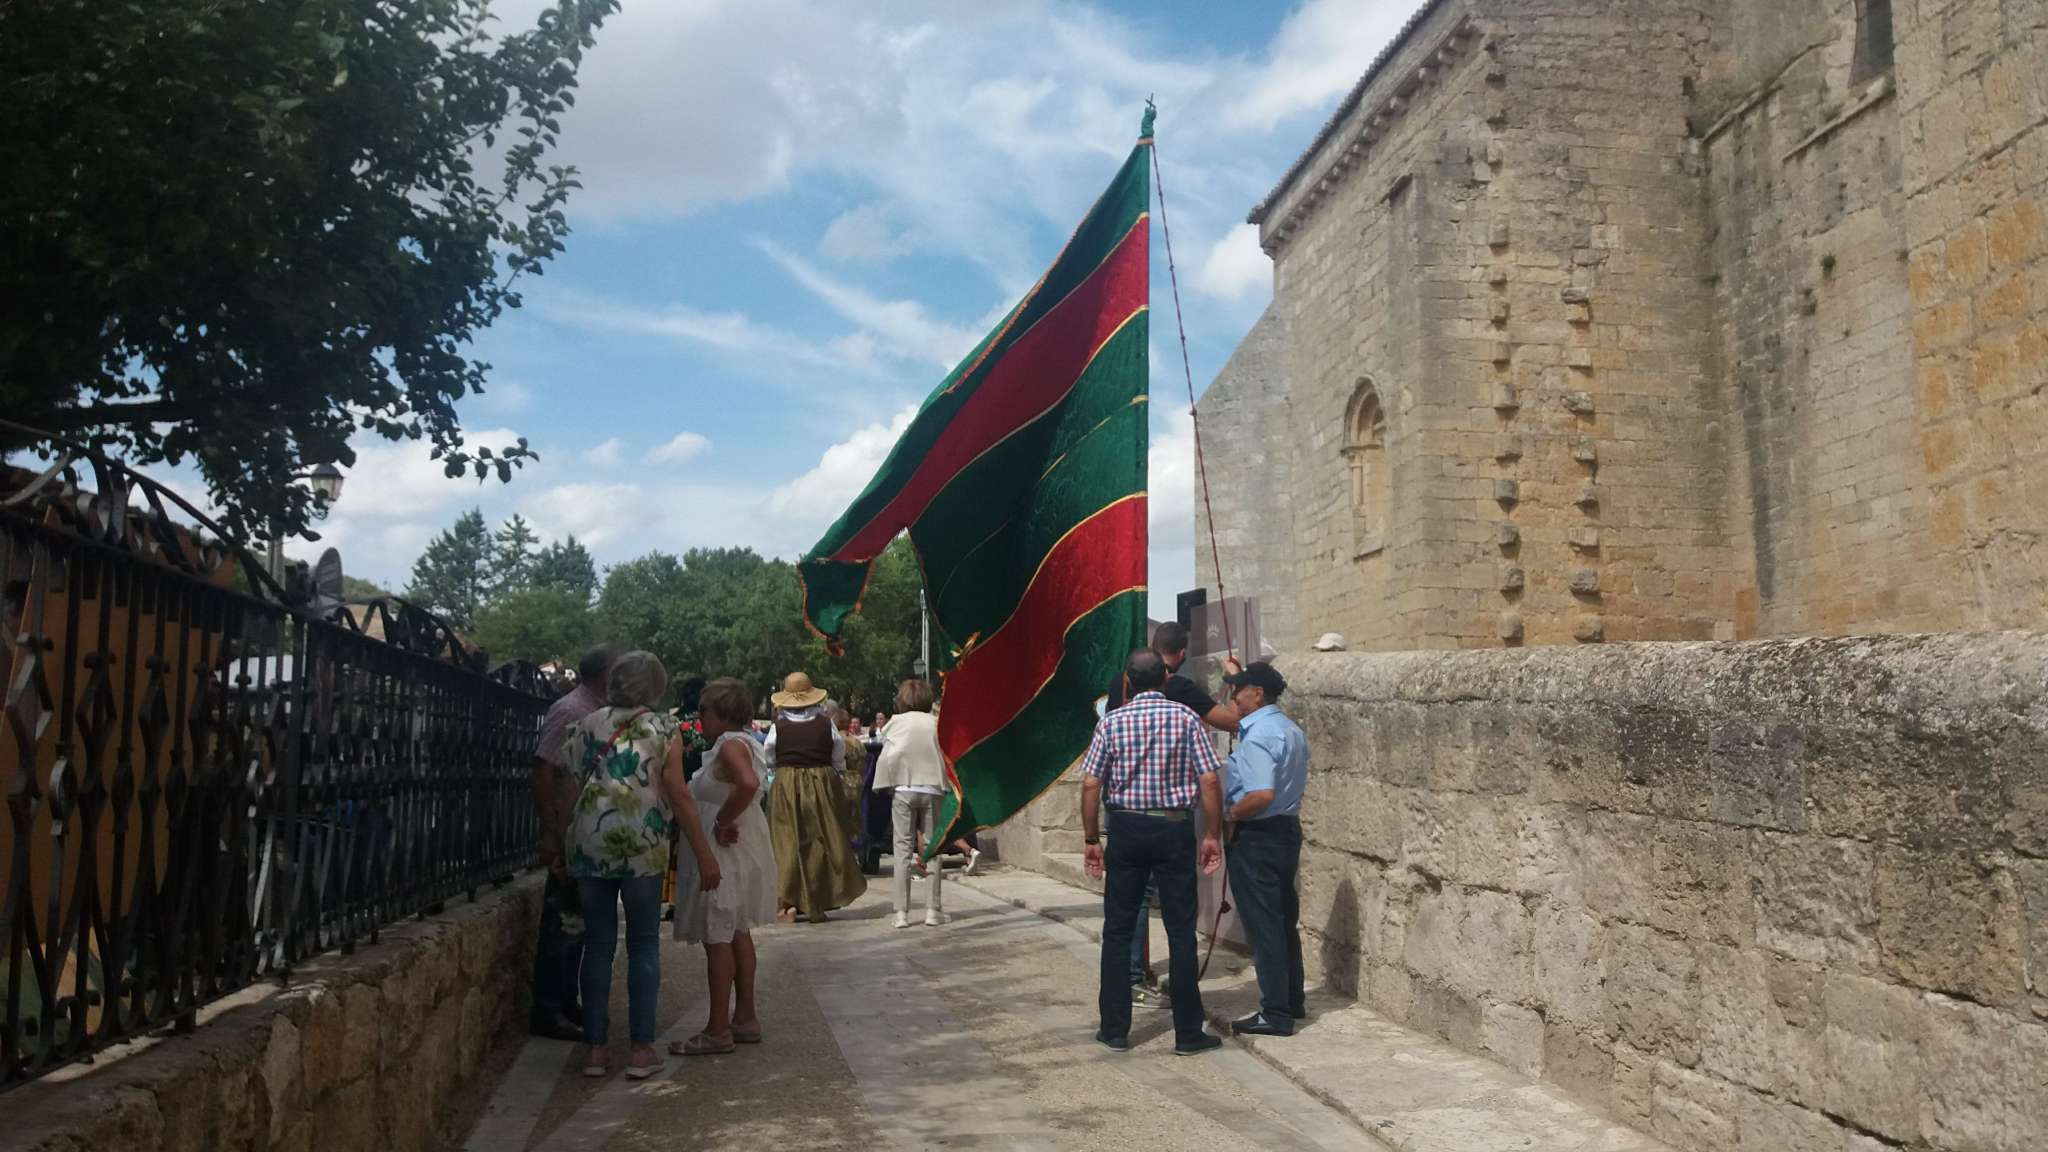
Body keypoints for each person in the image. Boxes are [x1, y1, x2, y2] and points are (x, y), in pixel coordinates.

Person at [562, 651, 722, 1079]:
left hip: (590, 842)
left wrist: (561, 841)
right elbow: (678, 793)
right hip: (642, 843)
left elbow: (569, 787)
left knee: (597, 945)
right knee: (644, 944)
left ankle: (595, 1050)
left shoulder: (586, 725)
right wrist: (704, 853)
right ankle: (641, 1049)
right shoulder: (663, 728)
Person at [1081, 648, 1226, 1057]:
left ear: (1128, 681)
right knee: (1180, 929)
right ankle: (1188, 1032)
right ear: (1165, 677)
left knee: (1118, 928)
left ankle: (1114, 1028)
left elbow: (1091, 784)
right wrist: (1212, 834)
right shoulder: (1186, 719)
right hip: (1173, 827)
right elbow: (1209, 780)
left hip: (1126, 828)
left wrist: (1091, 839)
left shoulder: (1111, 722)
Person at [1109, 621, 1239, 1012]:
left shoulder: (1121, 685)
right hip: (1169, 818)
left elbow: (1092, 780)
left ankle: (1126, 989)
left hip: (1124, 813)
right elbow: (1230, 721)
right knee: (1177, 915)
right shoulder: (1179, 690)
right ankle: (1180, 1008)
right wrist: (1234, 680)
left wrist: (1090, 837)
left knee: (1128, 905)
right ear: (1180, 655)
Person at [670, 677, 777, 1056]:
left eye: (704, 710)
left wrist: (721, 821)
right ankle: (744, 1017)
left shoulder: (730, 745)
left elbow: (746, 784)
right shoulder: (744, 742)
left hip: (724, 852)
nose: (699, 716)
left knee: (718, 935)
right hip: (740, 847)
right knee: (736, 932)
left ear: (722, 712)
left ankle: (717, 1028)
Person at [530, 642, 623, 1042]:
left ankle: (566, 1002)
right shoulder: (571, 710)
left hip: (585, 832)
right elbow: (544, 769)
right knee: (562, 924)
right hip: (569, 832)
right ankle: (549, 1009)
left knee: (577, 925)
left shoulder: (594, 710)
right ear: (605, 673)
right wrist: (552, 830)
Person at [1218, 662, 1311, 1037]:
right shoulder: (1290, 729)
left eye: (1237, 690)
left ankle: (1275, 1012)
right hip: (1286, 829)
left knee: (1264, 925)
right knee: (1283, 919)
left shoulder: (1257, 736)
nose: (1233, 698)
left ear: (1256, 694)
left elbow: (1260, 794)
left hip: (1257, 834)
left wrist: (1230, 815)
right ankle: (1291, 999)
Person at [763, 672, 867, 922]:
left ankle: (787, 903)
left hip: (786, 782)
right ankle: (815, 902)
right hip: (822, 782)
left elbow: (769, 756)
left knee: (786, 841)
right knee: (820, 841)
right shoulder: (825, 723)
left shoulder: (778, 726)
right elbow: (838, 756)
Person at [872, 678, 949, 928]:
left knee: (902, 850)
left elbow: (888, 752)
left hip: (904, 787)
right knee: (933, 848)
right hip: (932, 786)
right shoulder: (936, 722)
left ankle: (901, 913)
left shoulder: (896, 723)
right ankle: (932, 910)